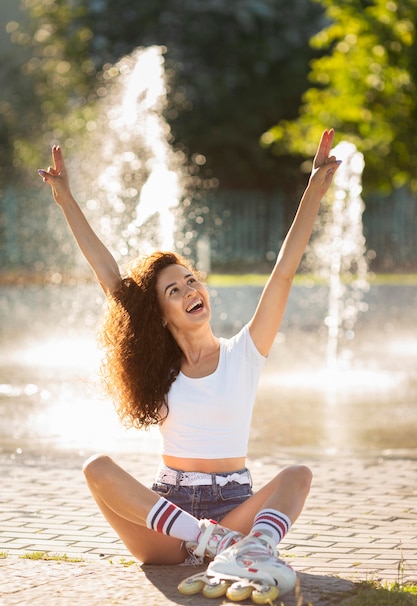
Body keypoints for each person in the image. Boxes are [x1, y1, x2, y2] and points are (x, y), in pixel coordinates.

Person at [38, 129, 340, 581]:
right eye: (173, 291)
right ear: (160, 314)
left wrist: (313, 191)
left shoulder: (246, 351)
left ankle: (251, 547)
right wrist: (64, 199)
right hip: (169, 519)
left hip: (233, 508)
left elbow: (284, 272)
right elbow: (109, 277)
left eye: (191, 281)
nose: (189, 291)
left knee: (297, 474)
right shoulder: (159, 368)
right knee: (96, 468)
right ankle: (220, 546)